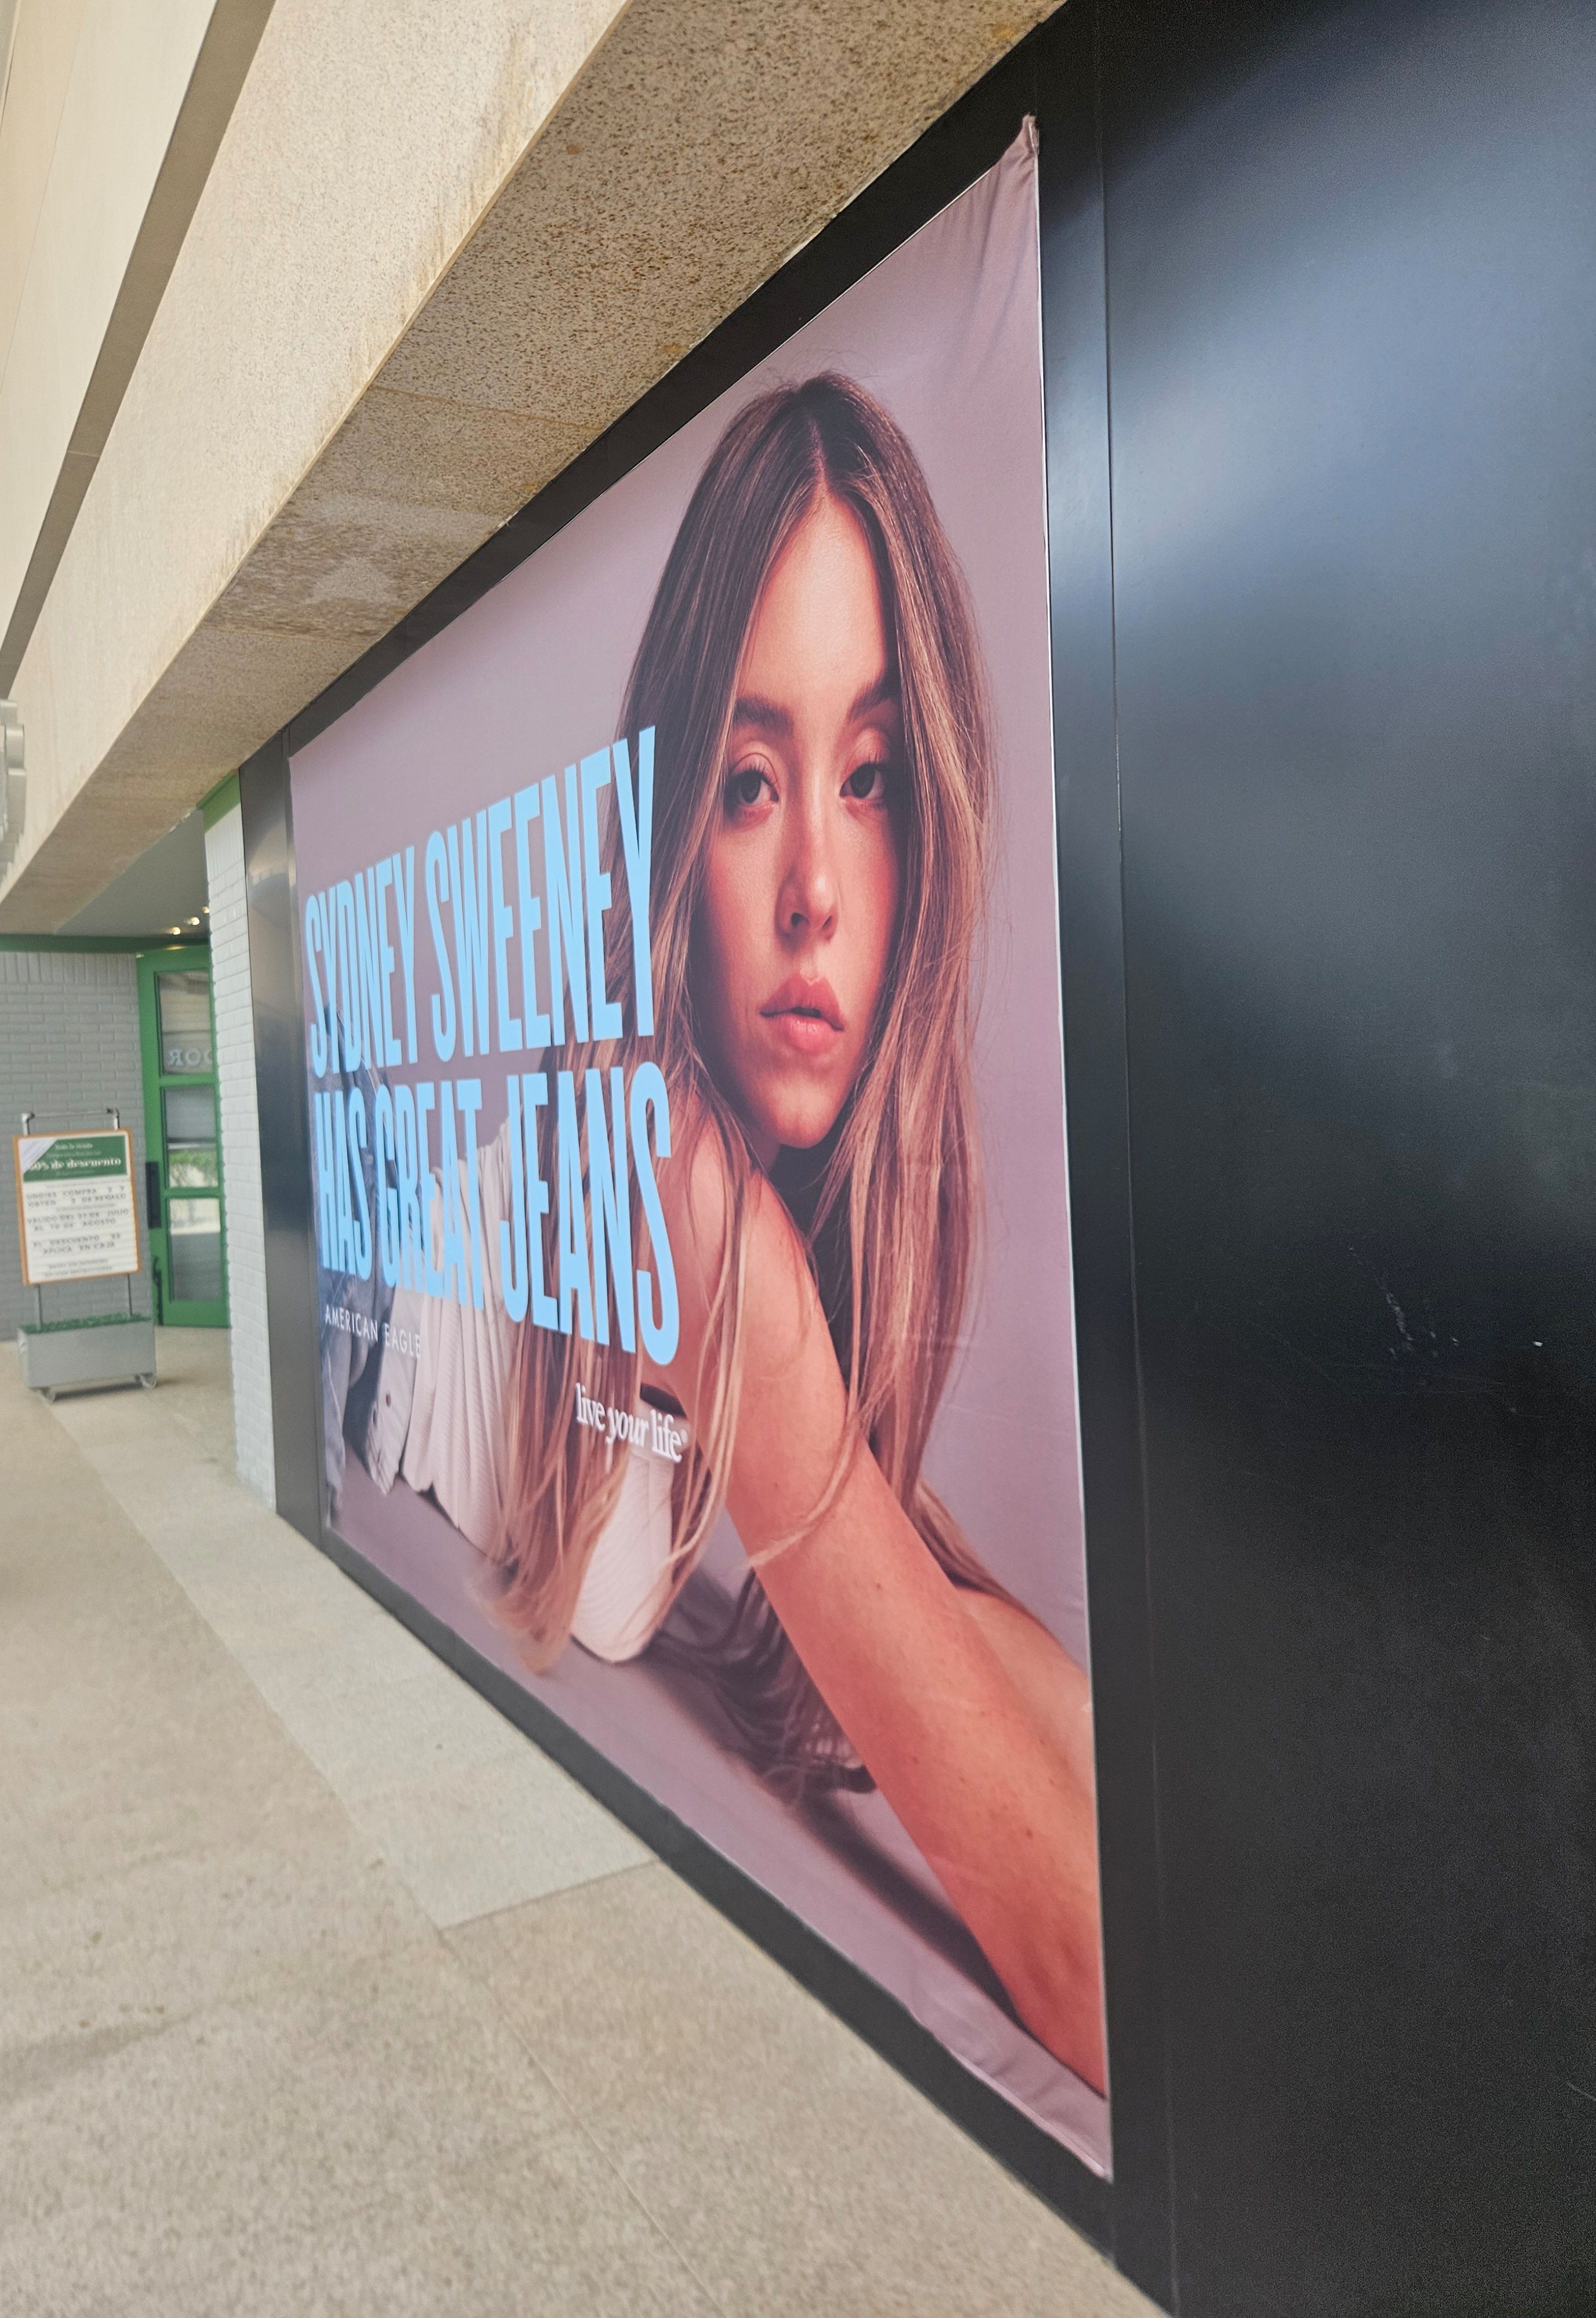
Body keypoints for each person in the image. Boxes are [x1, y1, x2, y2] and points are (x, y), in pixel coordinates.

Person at [356, 375, 1105, 2087]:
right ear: (670, 824)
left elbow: (1009, 1682)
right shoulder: (677, 1183)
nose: (815, 891)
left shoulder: (750, 1202)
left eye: (871, 777)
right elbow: (1086, 1972)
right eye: (752, 782)